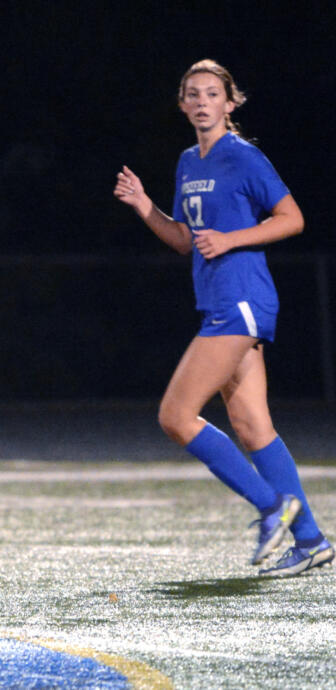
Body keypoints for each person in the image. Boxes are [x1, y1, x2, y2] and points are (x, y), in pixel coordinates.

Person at [114, 59, 331, 577]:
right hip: (219, 301)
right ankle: (312, 541)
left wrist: (232, 238)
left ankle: (272, 506)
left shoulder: (244, 157)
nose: (202, 101)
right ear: (184, 105)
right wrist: (145, 207)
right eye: (193, 94)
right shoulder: (189, 161)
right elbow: (187, 241)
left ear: (230, 103)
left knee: (175, 415)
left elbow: (292, 218)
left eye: (213, 93)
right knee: (253, 427)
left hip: (241, 301)